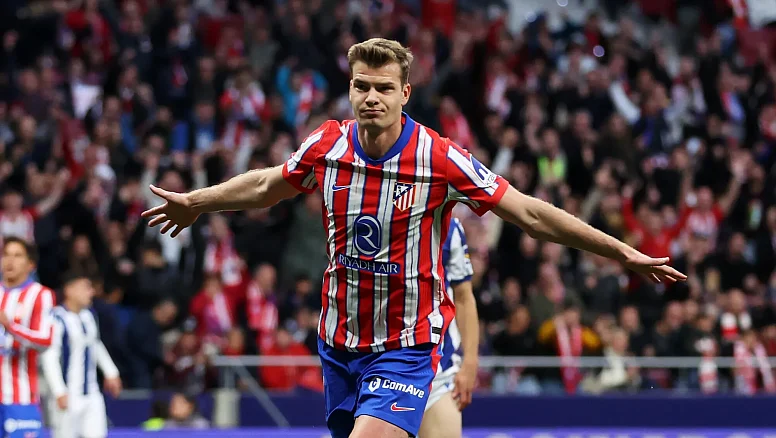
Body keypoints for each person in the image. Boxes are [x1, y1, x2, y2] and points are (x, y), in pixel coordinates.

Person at [141, 38, 686, 438]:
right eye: (361, 86)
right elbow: (266, 185)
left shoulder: (440, 158)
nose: (371, 98)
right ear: (350, 89)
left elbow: (529, 213)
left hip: (407, 346)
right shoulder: (327, 145)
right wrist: (197, 201)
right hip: (339, 344)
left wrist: (621, 252)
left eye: (383, 88)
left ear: (405, 93)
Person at [41, 274, 122, 438]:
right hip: (68, 394)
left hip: (92, 393)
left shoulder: (88, 316)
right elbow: (49, 357)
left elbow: (95, 344)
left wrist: (111, 372)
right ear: (69, 290)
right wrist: (59, 391)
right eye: (86, 288)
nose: (91, 292)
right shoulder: (55, 318)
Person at [419, 217, 477, 438]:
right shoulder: (370, 214)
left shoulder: (449, 227)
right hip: (380, 368)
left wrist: (470, 362)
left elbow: (464, 297)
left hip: (438, 370)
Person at [0, 237, 56, 438]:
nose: (10, 261)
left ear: (30, 264)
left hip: (21, 398)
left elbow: (45, 340)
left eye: (17, 256)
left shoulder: (40, 295)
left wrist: (10, 326)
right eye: (6, 255)